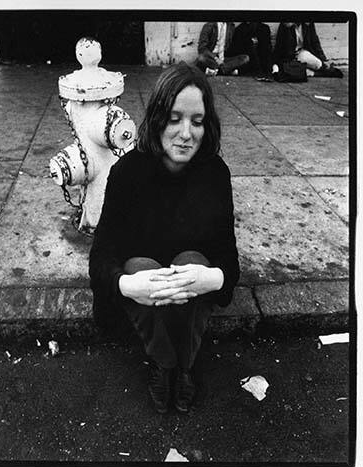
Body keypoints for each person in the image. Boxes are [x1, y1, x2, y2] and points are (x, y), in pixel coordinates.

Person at [89, 62, 240, 414]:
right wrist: (129, 285)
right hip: (145, 294)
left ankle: (183, 364)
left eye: (197, 121)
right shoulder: (127, 173)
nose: (186, 133)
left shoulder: (215, 175)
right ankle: (165, 362)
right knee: (139, 265)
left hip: (192, 289)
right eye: (175, 118)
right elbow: (100, 260)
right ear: (157, 118)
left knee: (193, 262)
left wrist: (212, 278)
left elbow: (229, 263)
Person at [272, 22, 343, 77]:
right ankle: (312, 73)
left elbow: (315, 42)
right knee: (288, 69)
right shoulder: (285, 25)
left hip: (302, 53)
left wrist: (324, 59)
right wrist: (288, 28)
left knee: (318, 64)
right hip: (290, 57)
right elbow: (281, 46)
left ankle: (308, 71)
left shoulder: (308, 24)